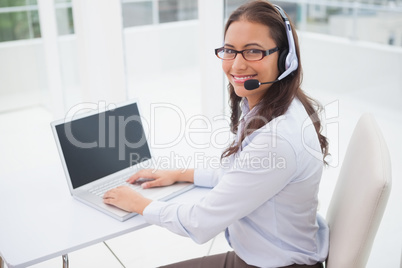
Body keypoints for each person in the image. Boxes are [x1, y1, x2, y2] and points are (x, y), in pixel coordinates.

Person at [103, 1, 330, 267]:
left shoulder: (276, 139)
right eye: (230, 51)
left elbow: (199, 222)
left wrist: (138, 203)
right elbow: (240, 175)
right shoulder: (274, 106)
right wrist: (180, 175)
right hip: (263, 256)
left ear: (285, 59)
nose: (236, 65)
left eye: (253, 51)